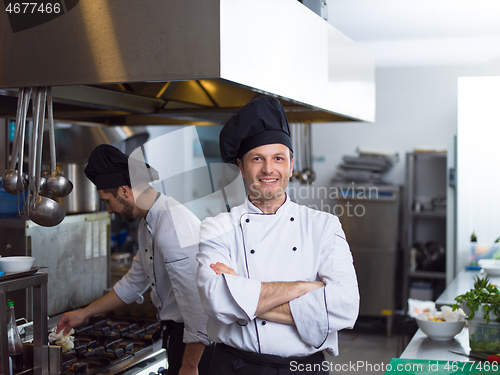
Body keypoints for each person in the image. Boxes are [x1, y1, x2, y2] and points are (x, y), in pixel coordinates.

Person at [196, 97, 360, 374]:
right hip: (234, 367)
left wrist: (242, 296)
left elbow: (345, 307)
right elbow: (216, 302)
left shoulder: (324, 226)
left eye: (278, 159)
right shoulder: (216, 227)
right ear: (241, 166)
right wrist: (304, 288)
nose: (268, 169)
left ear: (291, 165)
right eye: (257, 158)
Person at [56, 144, 211, 375]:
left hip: (197, 346)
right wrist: (84, 313)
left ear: (125, 190)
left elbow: (199, 308)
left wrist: (189, 366)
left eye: (108, 200)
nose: (108, 210)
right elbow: (133, 283)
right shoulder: (147, 224)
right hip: (179, 335)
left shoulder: (172, 229)